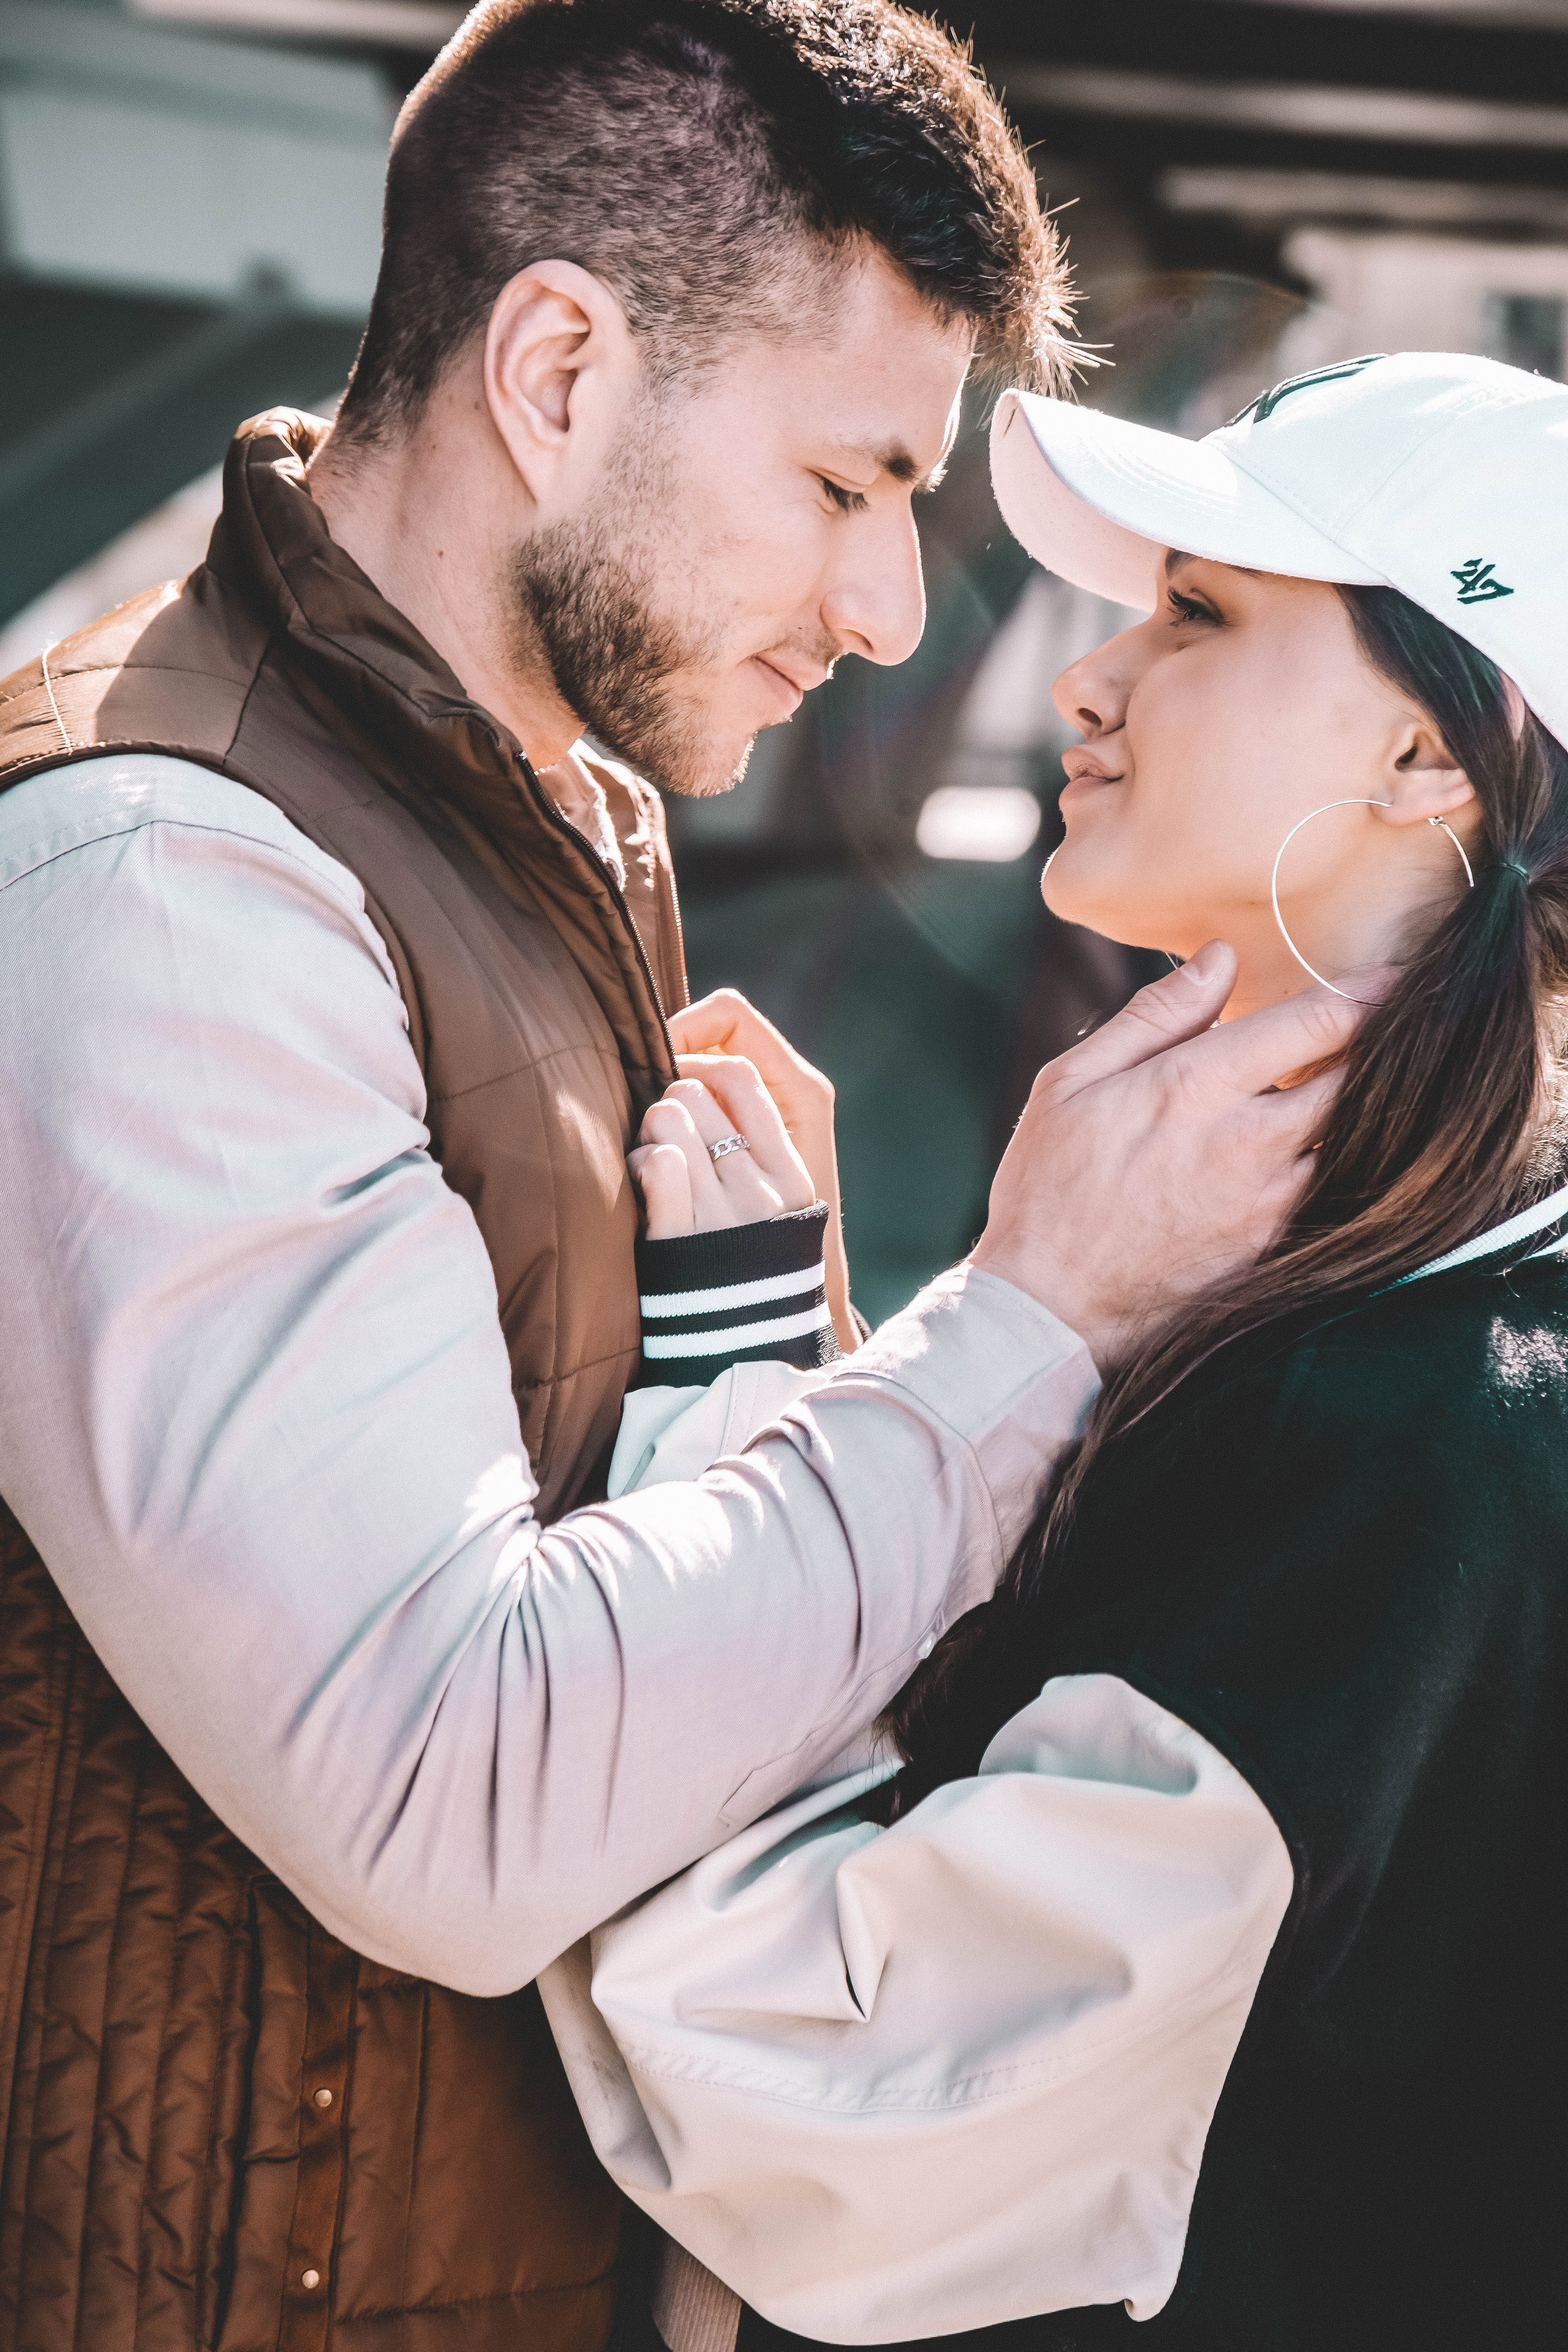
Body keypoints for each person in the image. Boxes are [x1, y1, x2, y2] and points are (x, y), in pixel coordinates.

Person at [0, 6, 1343, 2350]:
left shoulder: (555, 803)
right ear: (554, 371)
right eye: (847, 488)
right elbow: (449, 1794)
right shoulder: (165, 883)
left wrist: (756, 1347)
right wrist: (1016, 1325)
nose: (895, 613)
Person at [541, 349, 1568, 2352]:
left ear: (1440, 759)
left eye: (1196, 614)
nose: (1089, 680)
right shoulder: (1417, 1327)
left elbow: (828, 2094)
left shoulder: (1395, 1432)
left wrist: (748, 1362)